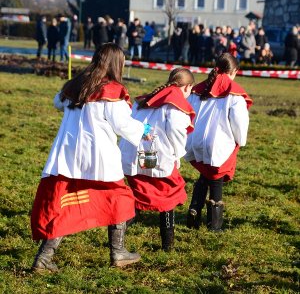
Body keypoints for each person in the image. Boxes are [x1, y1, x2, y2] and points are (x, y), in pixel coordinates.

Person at [30, 43, 151, 272]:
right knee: (121, 199)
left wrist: (79, 87)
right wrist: (144, 130)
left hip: (68, 158)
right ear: (117, 63)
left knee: (64, 207)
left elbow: (58, 101)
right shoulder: (112, 91)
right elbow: (123, 125)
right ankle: (118, 252)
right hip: (98, 160)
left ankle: (44, 258)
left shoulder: (77, 86)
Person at [119, 68, 195, 251]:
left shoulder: (147, 99)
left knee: (138, 197)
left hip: (134, 156)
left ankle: (117, 238)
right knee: (168, 197)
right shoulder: (175, 105)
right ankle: (167, 246)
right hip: (159, 158)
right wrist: (178, 154)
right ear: (187, 87)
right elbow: (177, 132)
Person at [185, 53, 253, 232]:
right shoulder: (234, 94)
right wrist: (241, 140)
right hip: (219, 144)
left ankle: (194, 209)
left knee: (205, 174)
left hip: (195, 141)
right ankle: (214, 225)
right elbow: (239, 122)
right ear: (234, 71)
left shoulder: (200, 88)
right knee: (216, 178)